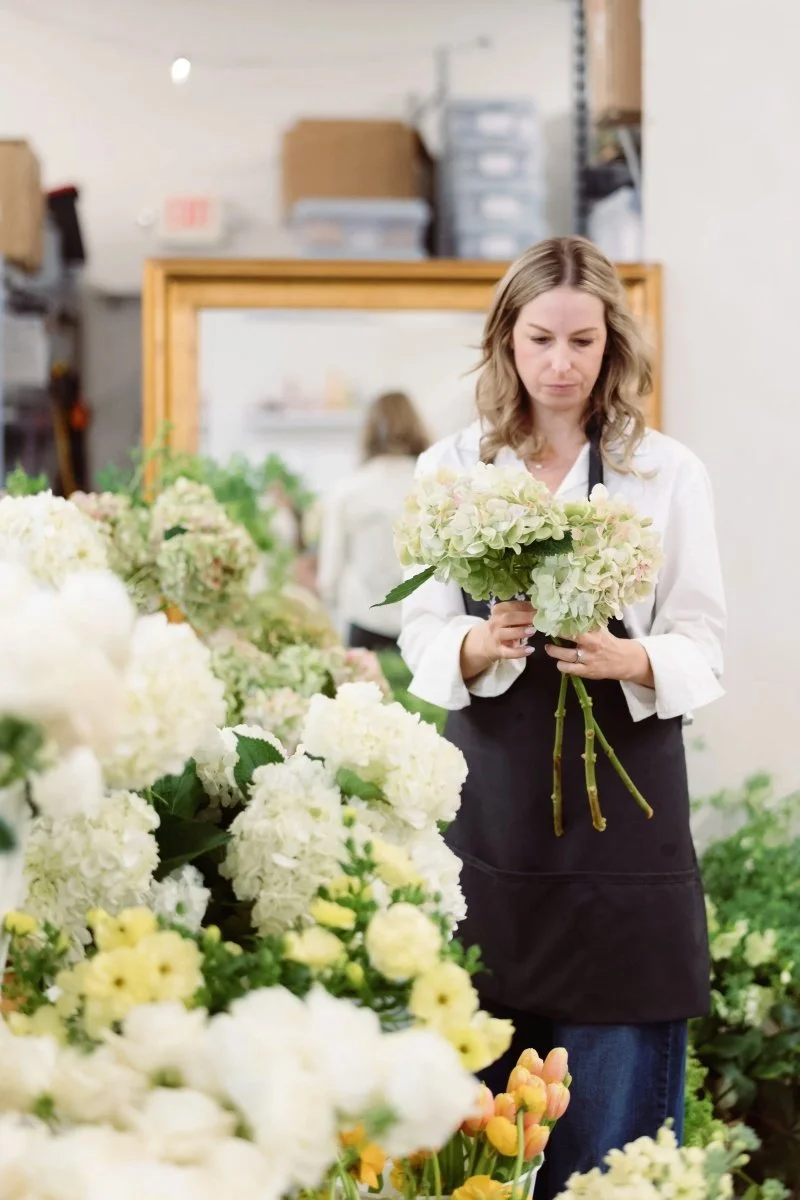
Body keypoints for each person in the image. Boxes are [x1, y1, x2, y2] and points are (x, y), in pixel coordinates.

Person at [399, 237, 726, 1199]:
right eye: (541, 337)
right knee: (477, 1148)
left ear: (611, 346)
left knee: (610, 1157)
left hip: (626, 830)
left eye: (583, 341)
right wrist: (474, 644)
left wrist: (635, 659)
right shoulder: (452, 467)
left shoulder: (666, 473)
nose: (562, 362)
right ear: (506, 340)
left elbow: (705, 644)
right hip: (492, 819)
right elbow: (418, 631)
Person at [317, 390, 430, 652]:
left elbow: (328, 578)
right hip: (425, 626)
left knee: (365, 694)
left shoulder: (348, 490)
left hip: (365, 623)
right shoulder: (433, 485)